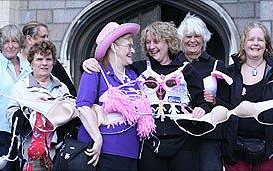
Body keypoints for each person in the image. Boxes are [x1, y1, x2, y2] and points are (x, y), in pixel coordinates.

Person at [82, 21, 212, 171]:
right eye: (148, 42)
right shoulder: (139, 68)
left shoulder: (186, 69)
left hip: (183, 142)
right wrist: (89, 62)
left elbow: (201, 99)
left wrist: (202, 108)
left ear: (169, 42)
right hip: (150, 143)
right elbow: (112, 64)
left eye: (156, 42)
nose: (151, 47)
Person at [77, 22, 156, 171]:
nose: (133, 50)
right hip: (105, 152)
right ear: (113, 47)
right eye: (128, 46)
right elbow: (82, 107)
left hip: (132, 153)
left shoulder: (133, 75)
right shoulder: (94, 71)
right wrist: (97, 138)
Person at [223, 22, 273, 170]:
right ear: (243, 43)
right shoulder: (230, 72)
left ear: (266, 44)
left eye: (260, 40)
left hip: (270, 150)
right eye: (251, 39)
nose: (255, 43)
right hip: (236, 153)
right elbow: (223, 107)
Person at [176, 13, 231, 171]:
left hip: (210, 137)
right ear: (181, 39)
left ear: (204, 38)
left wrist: (214, 101)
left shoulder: (216, 65)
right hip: (181, 134)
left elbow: (228, 105)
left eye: (197, 36)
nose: (192, 40)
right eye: (188, 36)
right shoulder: (173, 64)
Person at [6, 40, 71, 170]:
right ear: (31, 63)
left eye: (48, 59)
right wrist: (33, 109)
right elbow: (11, 117)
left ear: (53, 62)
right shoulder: (21, 87)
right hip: (31, 153)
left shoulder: (62, 87)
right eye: (39, 59)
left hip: (60, 152)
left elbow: (71, 118)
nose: (44, 63)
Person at [0, 24, 32, 171]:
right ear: (0, 44)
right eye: (6, 42)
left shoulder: (28, 66)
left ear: (20, 43)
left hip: (24, 132)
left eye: (14, 41)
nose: (10, 46)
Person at [21, 21, 77, 96]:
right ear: (29, 39)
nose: (47, 40)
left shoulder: (53, 63)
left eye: (47, 36)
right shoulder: (16, 62)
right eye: (43, 37)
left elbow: (70, 89)